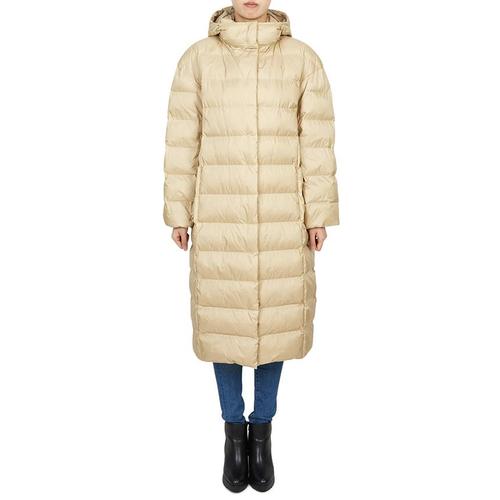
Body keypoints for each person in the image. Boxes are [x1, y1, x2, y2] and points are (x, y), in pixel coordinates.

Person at [163, 1, 339, 492]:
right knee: (223, 322)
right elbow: (182, 140)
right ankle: (232, 433)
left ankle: (261, 433)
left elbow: (317, 143)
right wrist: (178, 210)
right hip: (219, 213)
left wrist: (318, 214)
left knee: (275, 322)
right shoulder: (198, 59)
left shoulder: (302, 59)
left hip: (283, 212)